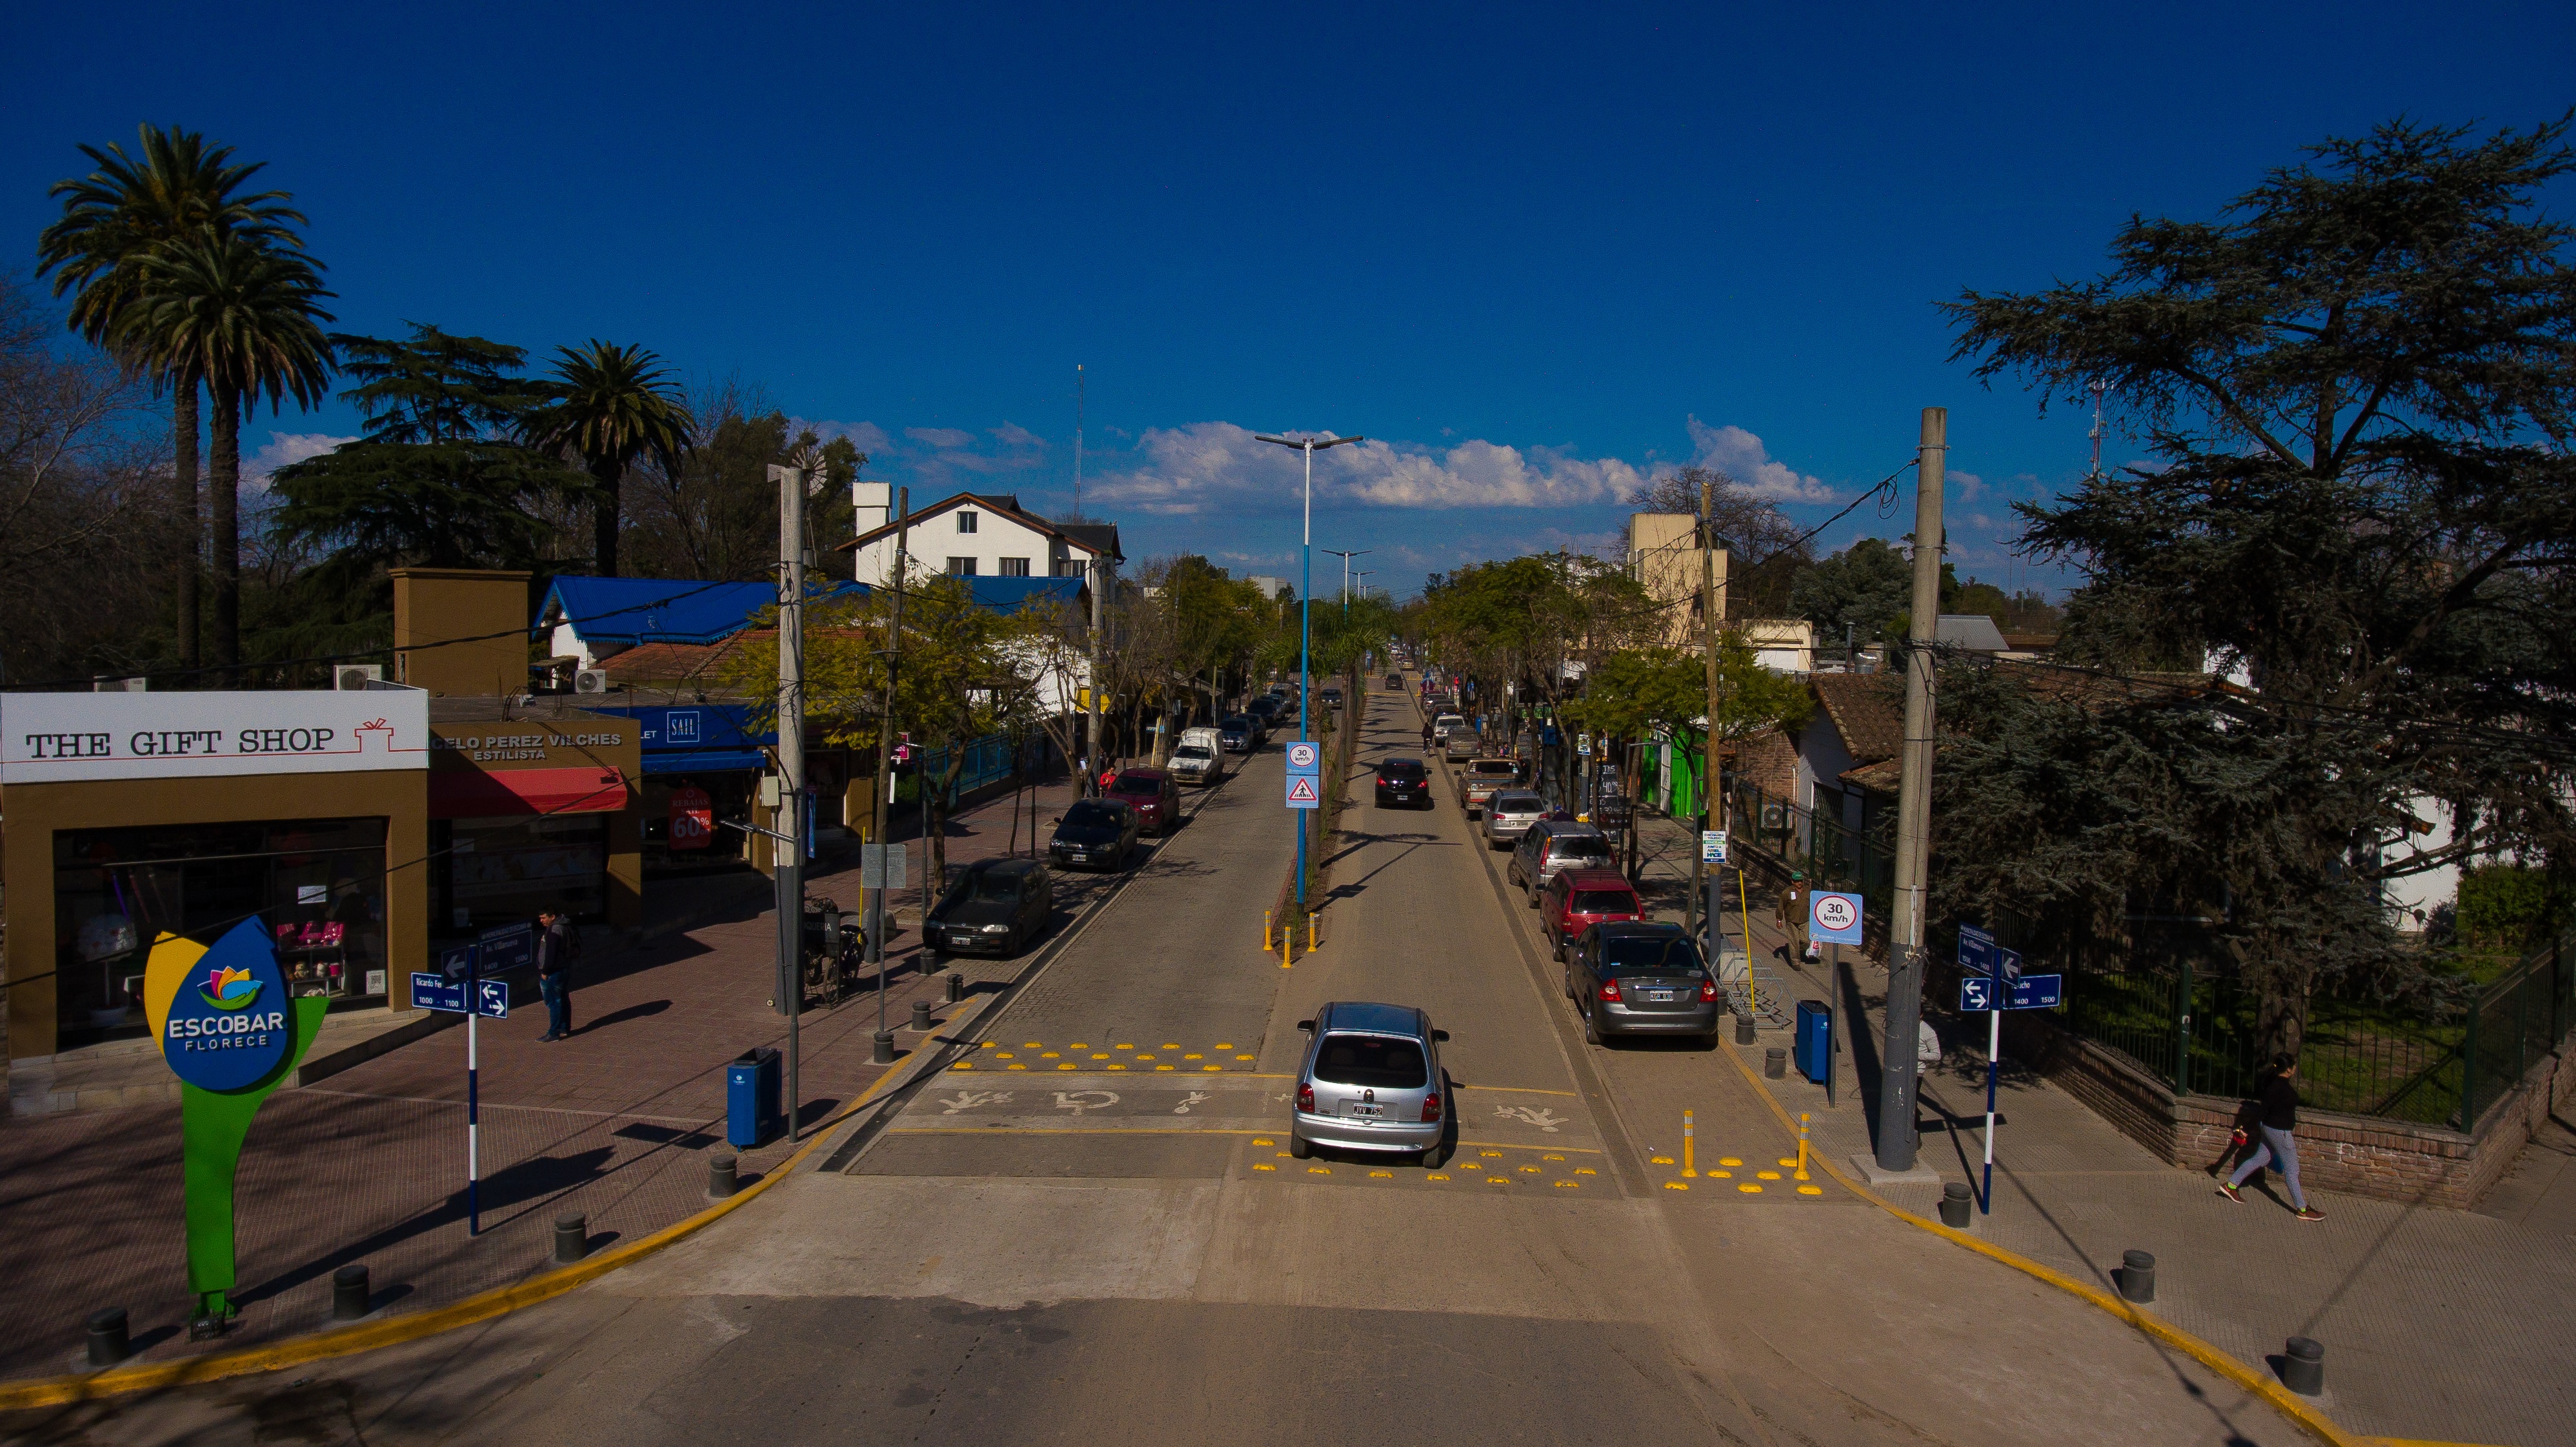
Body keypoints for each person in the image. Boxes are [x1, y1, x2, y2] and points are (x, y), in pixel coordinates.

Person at [2219, 1053, 2326, 1220]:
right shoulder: (2280, 1088)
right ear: (2289, 1069)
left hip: (2269, 1129)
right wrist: (2246, 1129)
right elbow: (2263, 1110)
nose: (2296, 1068)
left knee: (2259, 1159)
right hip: (2280, 1133)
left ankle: (2231, 1185)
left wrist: (2247, 1128)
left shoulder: (2273, 1084)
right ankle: (2302, 1209)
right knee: (2292, 1170)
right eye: (2294, 1066)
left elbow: (2263, 1110)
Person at [534, 908, 577, 1042]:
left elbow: (551, 954)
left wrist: (545, 972)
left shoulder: (554, 931)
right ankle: (564, 1028)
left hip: (554, 971)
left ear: (552, 916)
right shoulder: (565, 925)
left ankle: (554, 1032)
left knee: (553, 1001)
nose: (541, 921)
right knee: (563, 997)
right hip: (564, 968)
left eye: (543, 918)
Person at [1776, 871, 1810, 962]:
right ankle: (1795, 961)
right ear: (1792, 881)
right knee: (1794, 941)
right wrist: (1779, 919)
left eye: (1801, 881)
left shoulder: (1808, 891)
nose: (1799, 883)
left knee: (1806, 941)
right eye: (1797, 881)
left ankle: (1798, 951)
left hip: (1805, 920)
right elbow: (1781, 906)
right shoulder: (1787, 892)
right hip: (1792, 921)